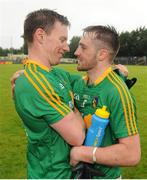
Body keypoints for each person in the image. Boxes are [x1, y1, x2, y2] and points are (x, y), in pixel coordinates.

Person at [13, 9, 85, 179]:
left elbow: (89, 83)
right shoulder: (34, 83)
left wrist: (116, 74)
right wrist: (76, 108)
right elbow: (77, 136)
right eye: (62, 39)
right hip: (52, 175)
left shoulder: (56, 74)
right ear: (41, 36)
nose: (67, 47)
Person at [70, 25, 141, 178]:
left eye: (83, 47)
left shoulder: (117, 92)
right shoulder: (78, 84)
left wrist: (84, 153)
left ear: (102, 54)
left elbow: (132, 154)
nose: (76, 52)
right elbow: (51, 78)